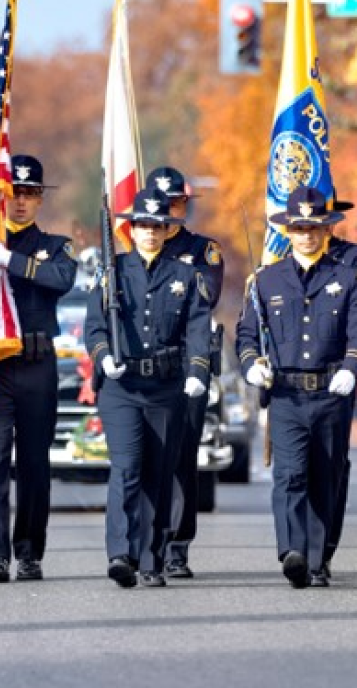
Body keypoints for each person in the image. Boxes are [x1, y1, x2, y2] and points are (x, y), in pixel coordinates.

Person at [236, 186, 357, 588]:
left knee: (325, 476)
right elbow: (246, 336)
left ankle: (317, 558)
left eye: (314, 228)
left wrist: (352, 366)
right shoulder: (265, 280)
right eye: (299, 227)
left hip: (332, 392)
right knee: (290, 475)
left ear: (326, 230)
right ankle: (292, 551)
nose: (307, 235)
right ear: (288, 231)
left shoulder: (348, 278)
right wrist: (250, 367)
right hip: (286, 393)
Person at [85, 186, 211, 588]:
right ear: (131, 230)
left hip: (165, 386)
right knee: (127, 466)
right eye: (143, 226)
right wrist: (104, 355)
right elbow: (95, 324)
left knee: (159, 472)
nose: (151, 233)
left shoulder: (186, 275)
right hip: (123, 387)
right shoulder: (113, 272)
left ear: (167, 229)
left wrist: (197, 371)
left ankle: (152, 558)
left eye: (158, 226)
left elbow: (197, 328)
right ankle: (121, 553)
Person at [0, 154, 77, 583]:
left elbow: (61, 279)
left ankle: (30, 551)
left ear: (40, 200)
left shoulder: (54, 245)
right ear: (2, 198)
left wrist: (11, 262)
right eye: (13, 194)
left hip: (37, 366)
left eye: (30, 194)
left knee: (35, 463)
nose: (20, 202)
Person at [145, 166, 224, 579]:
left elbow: (204, 297)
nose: (169, 210)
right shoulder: (137, 249)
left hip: (185, 364)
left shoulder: (202, 250)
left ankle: (177, 545)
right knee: (144, 457)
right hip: (144, 367)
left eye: (176, 203)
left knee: (180, 457)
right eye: (163, 203)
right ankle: (146, 543)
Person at [322, 193, 357, 577]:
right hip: (292, 374)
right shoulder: (282, 255)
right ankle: (297, 544)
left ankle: (322, 544)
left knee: (331, 464)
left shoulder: (354, 259)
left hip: (338, 372)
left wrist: (351, 365)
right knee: (292, 470)